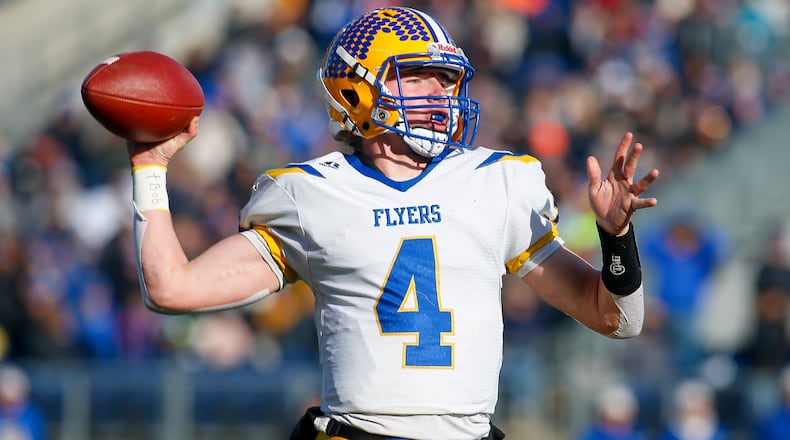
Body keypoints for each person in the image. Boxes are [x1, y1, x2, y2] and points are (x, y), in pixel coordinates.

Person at [124, 7, 658, 440]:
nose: (439, 94)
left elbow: (617, 319)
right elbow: (172, 288)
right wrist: (150, 166)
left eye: (445, 79)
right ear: (356, 91)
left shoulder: (497, 182)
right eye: (417, 76)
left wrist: (617, 238)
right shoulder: (308, 193)